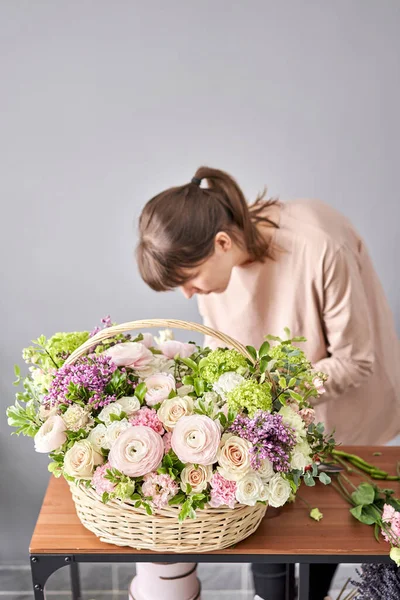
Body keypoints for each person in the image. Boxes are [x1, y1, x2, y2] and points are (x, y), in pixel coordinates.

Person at [136, 166, 400, 600]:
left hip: (342, 411)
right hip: (270, 420)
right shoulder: (213, 258)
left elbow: (355, 362)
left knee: (318, 533)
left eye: (188, 279)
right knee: (265, 527)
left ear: (222, 242)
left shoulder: (320, 245)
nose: (187, 294)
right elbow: (224, 349)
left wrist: (271, 397)